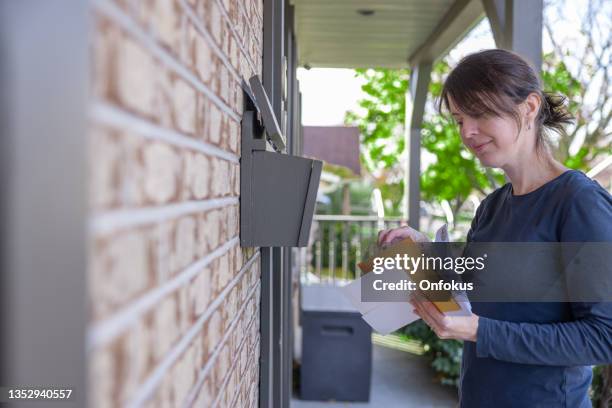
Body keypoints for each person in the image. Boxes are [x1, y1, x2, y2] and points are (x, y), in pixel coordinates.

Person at [377, 49, 612, 407]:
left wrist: (479, 331)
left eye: (480, 113)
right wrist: (424, 252)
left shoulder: (579, 202)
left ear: (530, 107)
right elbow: (474, 293)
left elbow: (603, 337)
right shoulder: (492, 207)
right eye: (458, 120)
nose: (467, 132)